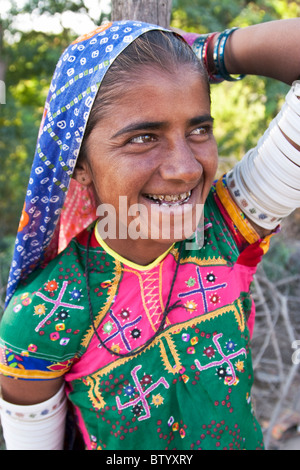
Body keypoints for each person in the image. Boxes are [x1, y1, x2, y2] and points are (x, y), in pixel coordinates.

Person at [0, 18, 299, 451]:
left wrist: (205, 54)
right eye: (143, 137)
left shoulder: (225, 230)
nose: (185, 169)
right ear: (78, 164)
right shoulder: (44, 315)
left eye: (198, 130)